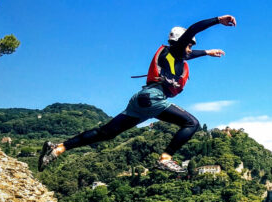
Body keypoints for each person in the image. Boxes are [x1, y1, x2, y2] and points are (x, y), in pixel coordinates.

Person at [38, 15, 237, 172]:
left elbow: (190, 54)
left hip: (143, 101)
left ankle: (57, 148)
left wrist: (208, 52)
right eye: (189, 44)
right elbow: (193, 29)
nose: (191, 48)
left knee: (106, 133)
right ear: (179, 42)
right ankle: (165, 158)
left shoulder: (175, 54)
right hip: (154, 98)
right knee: (191, 123)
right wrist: (218, 20)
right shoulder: (175, 49)